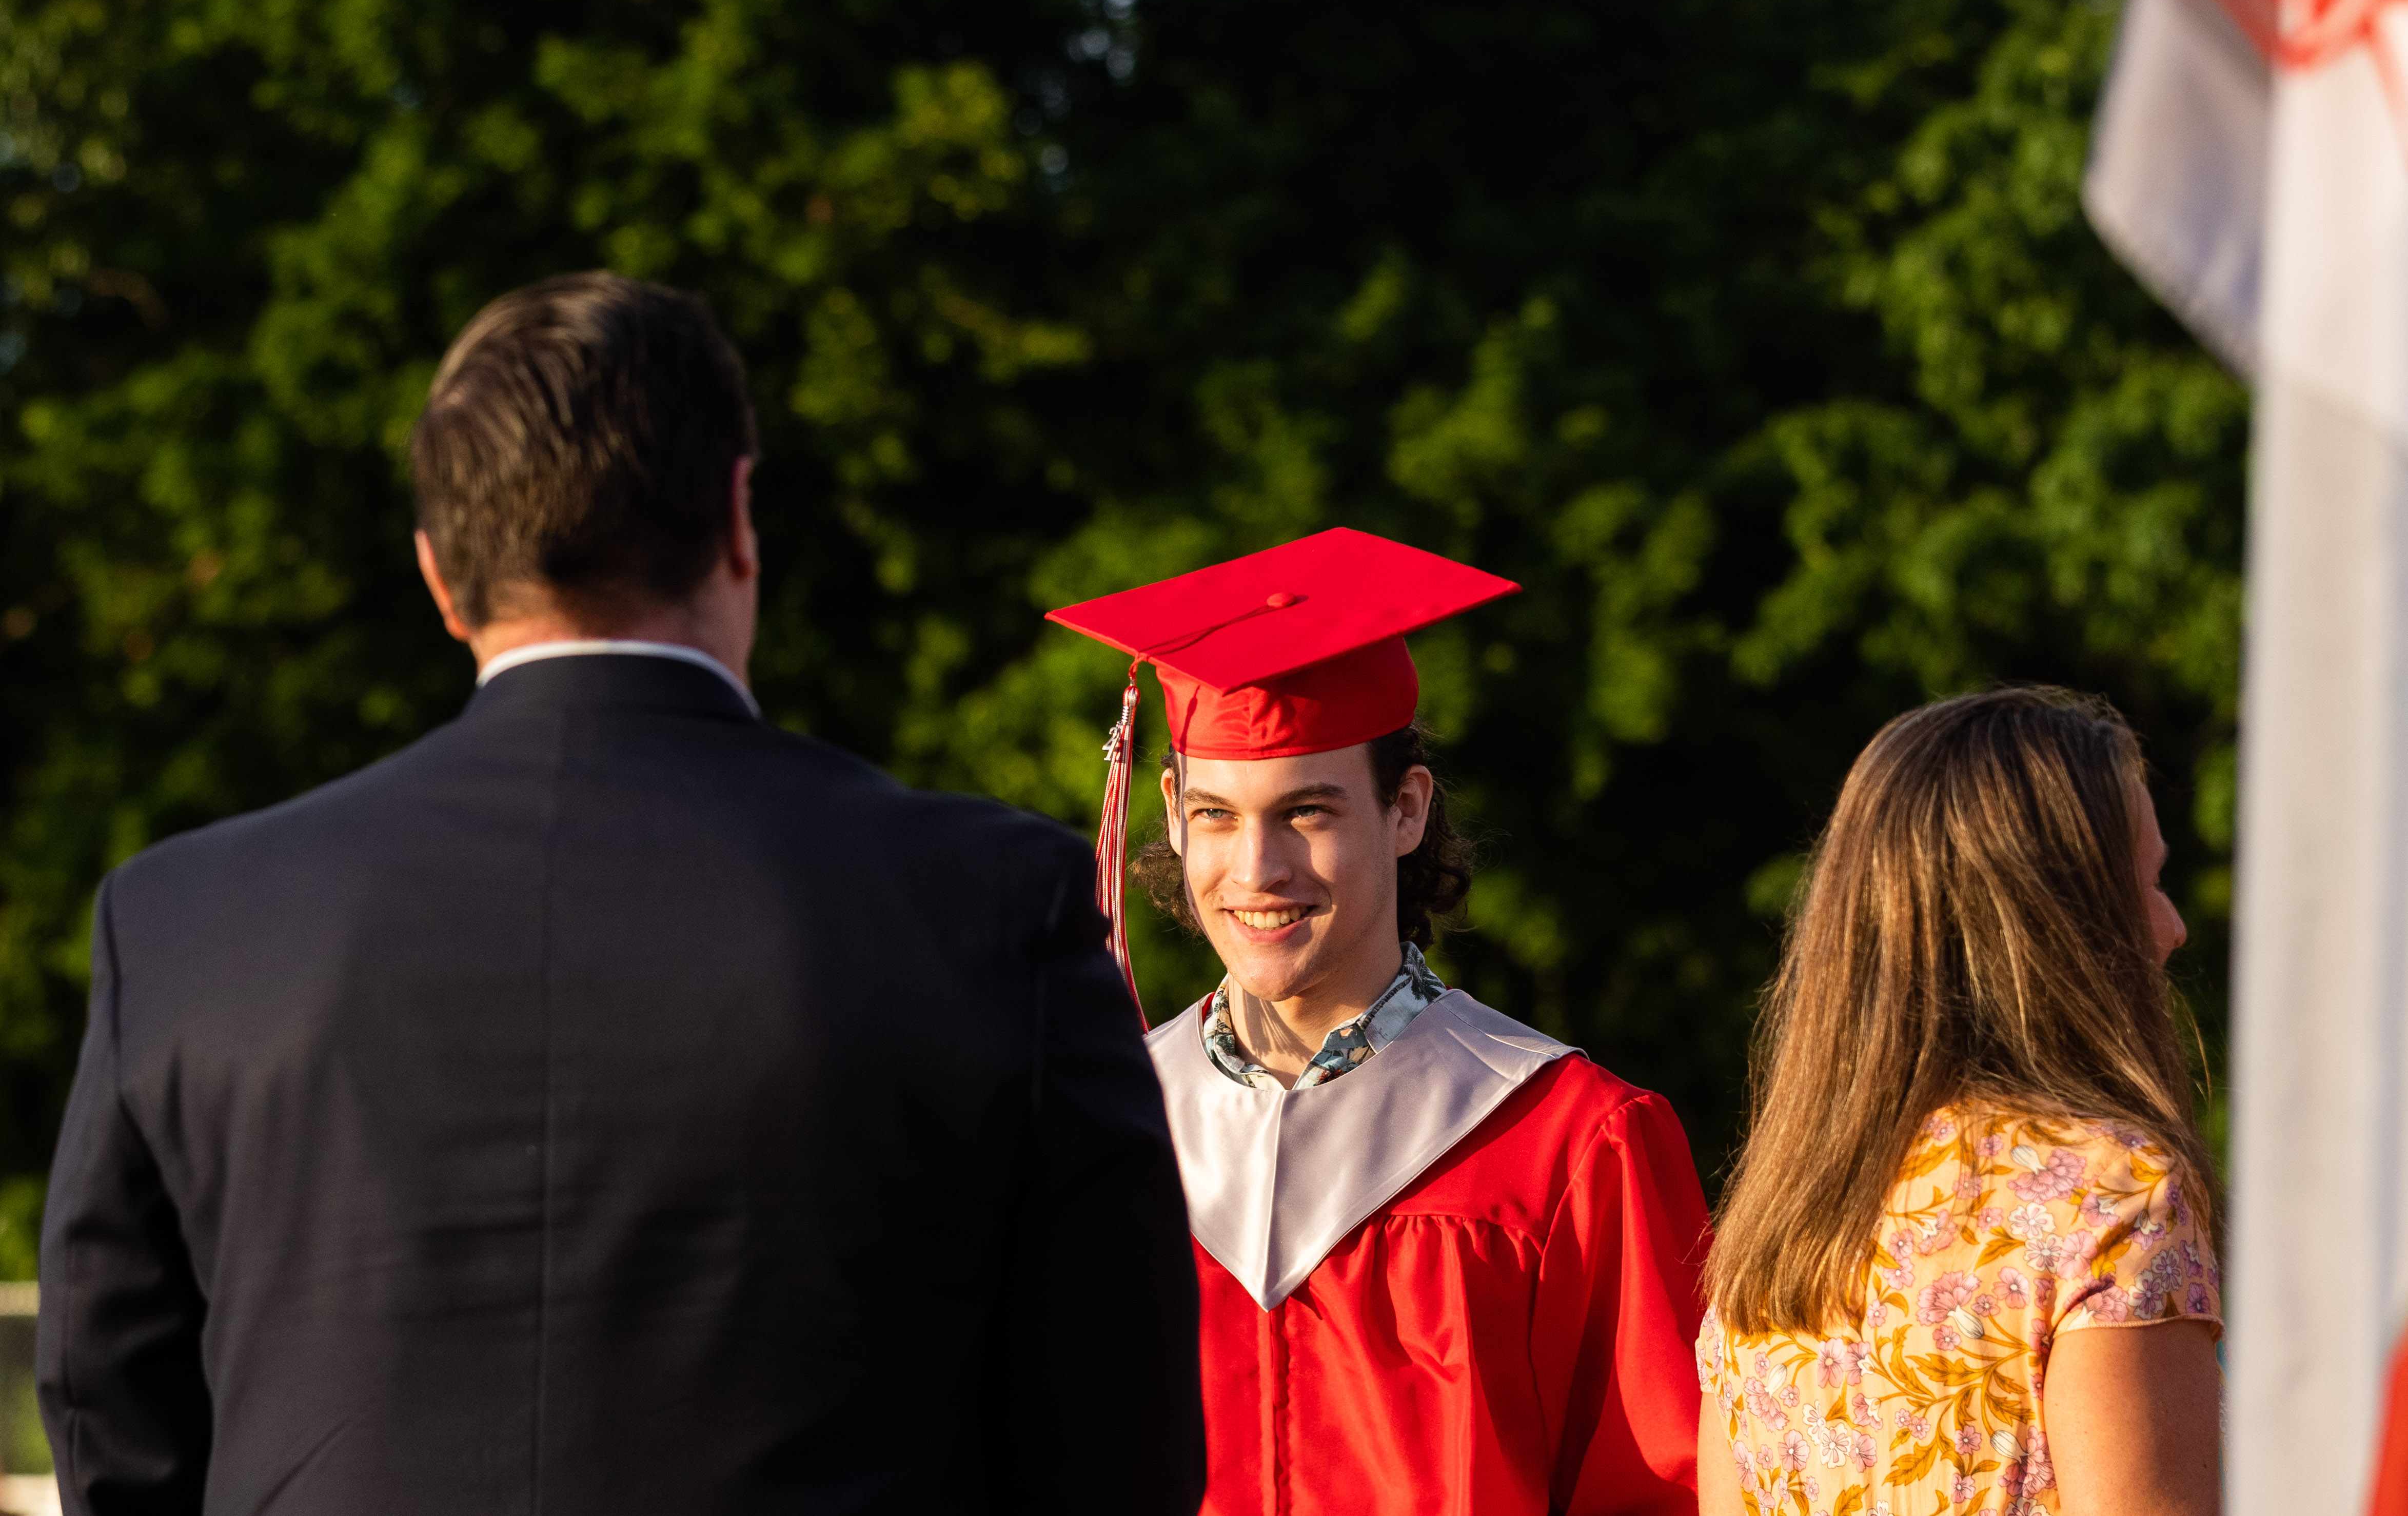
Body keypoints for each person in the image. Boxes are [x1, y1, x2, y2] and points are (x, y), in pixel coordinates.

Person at [35, 271, 1205, 1516]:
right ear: (741, 522)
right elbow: (1116, 1452)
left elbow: (114, 1430)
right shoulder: (992, 908)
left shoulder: (186, 928)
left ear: (440, 573)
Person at [1048, 528, 1712, 1516]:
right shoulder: (1087, 1133)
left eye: (1307, 814)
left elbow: (1664, 1488)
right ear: (1173, 813)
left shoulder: (1573, 1147)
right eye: (1218, 814)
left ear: (1404, 809)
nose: (1256, 870)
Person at [1695, 687, 2222, 1516]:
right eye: (2145, 883)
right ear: (2061, 922)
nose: (2172, 925)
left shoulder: (1778, 1232)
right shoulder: (2109, 1193)